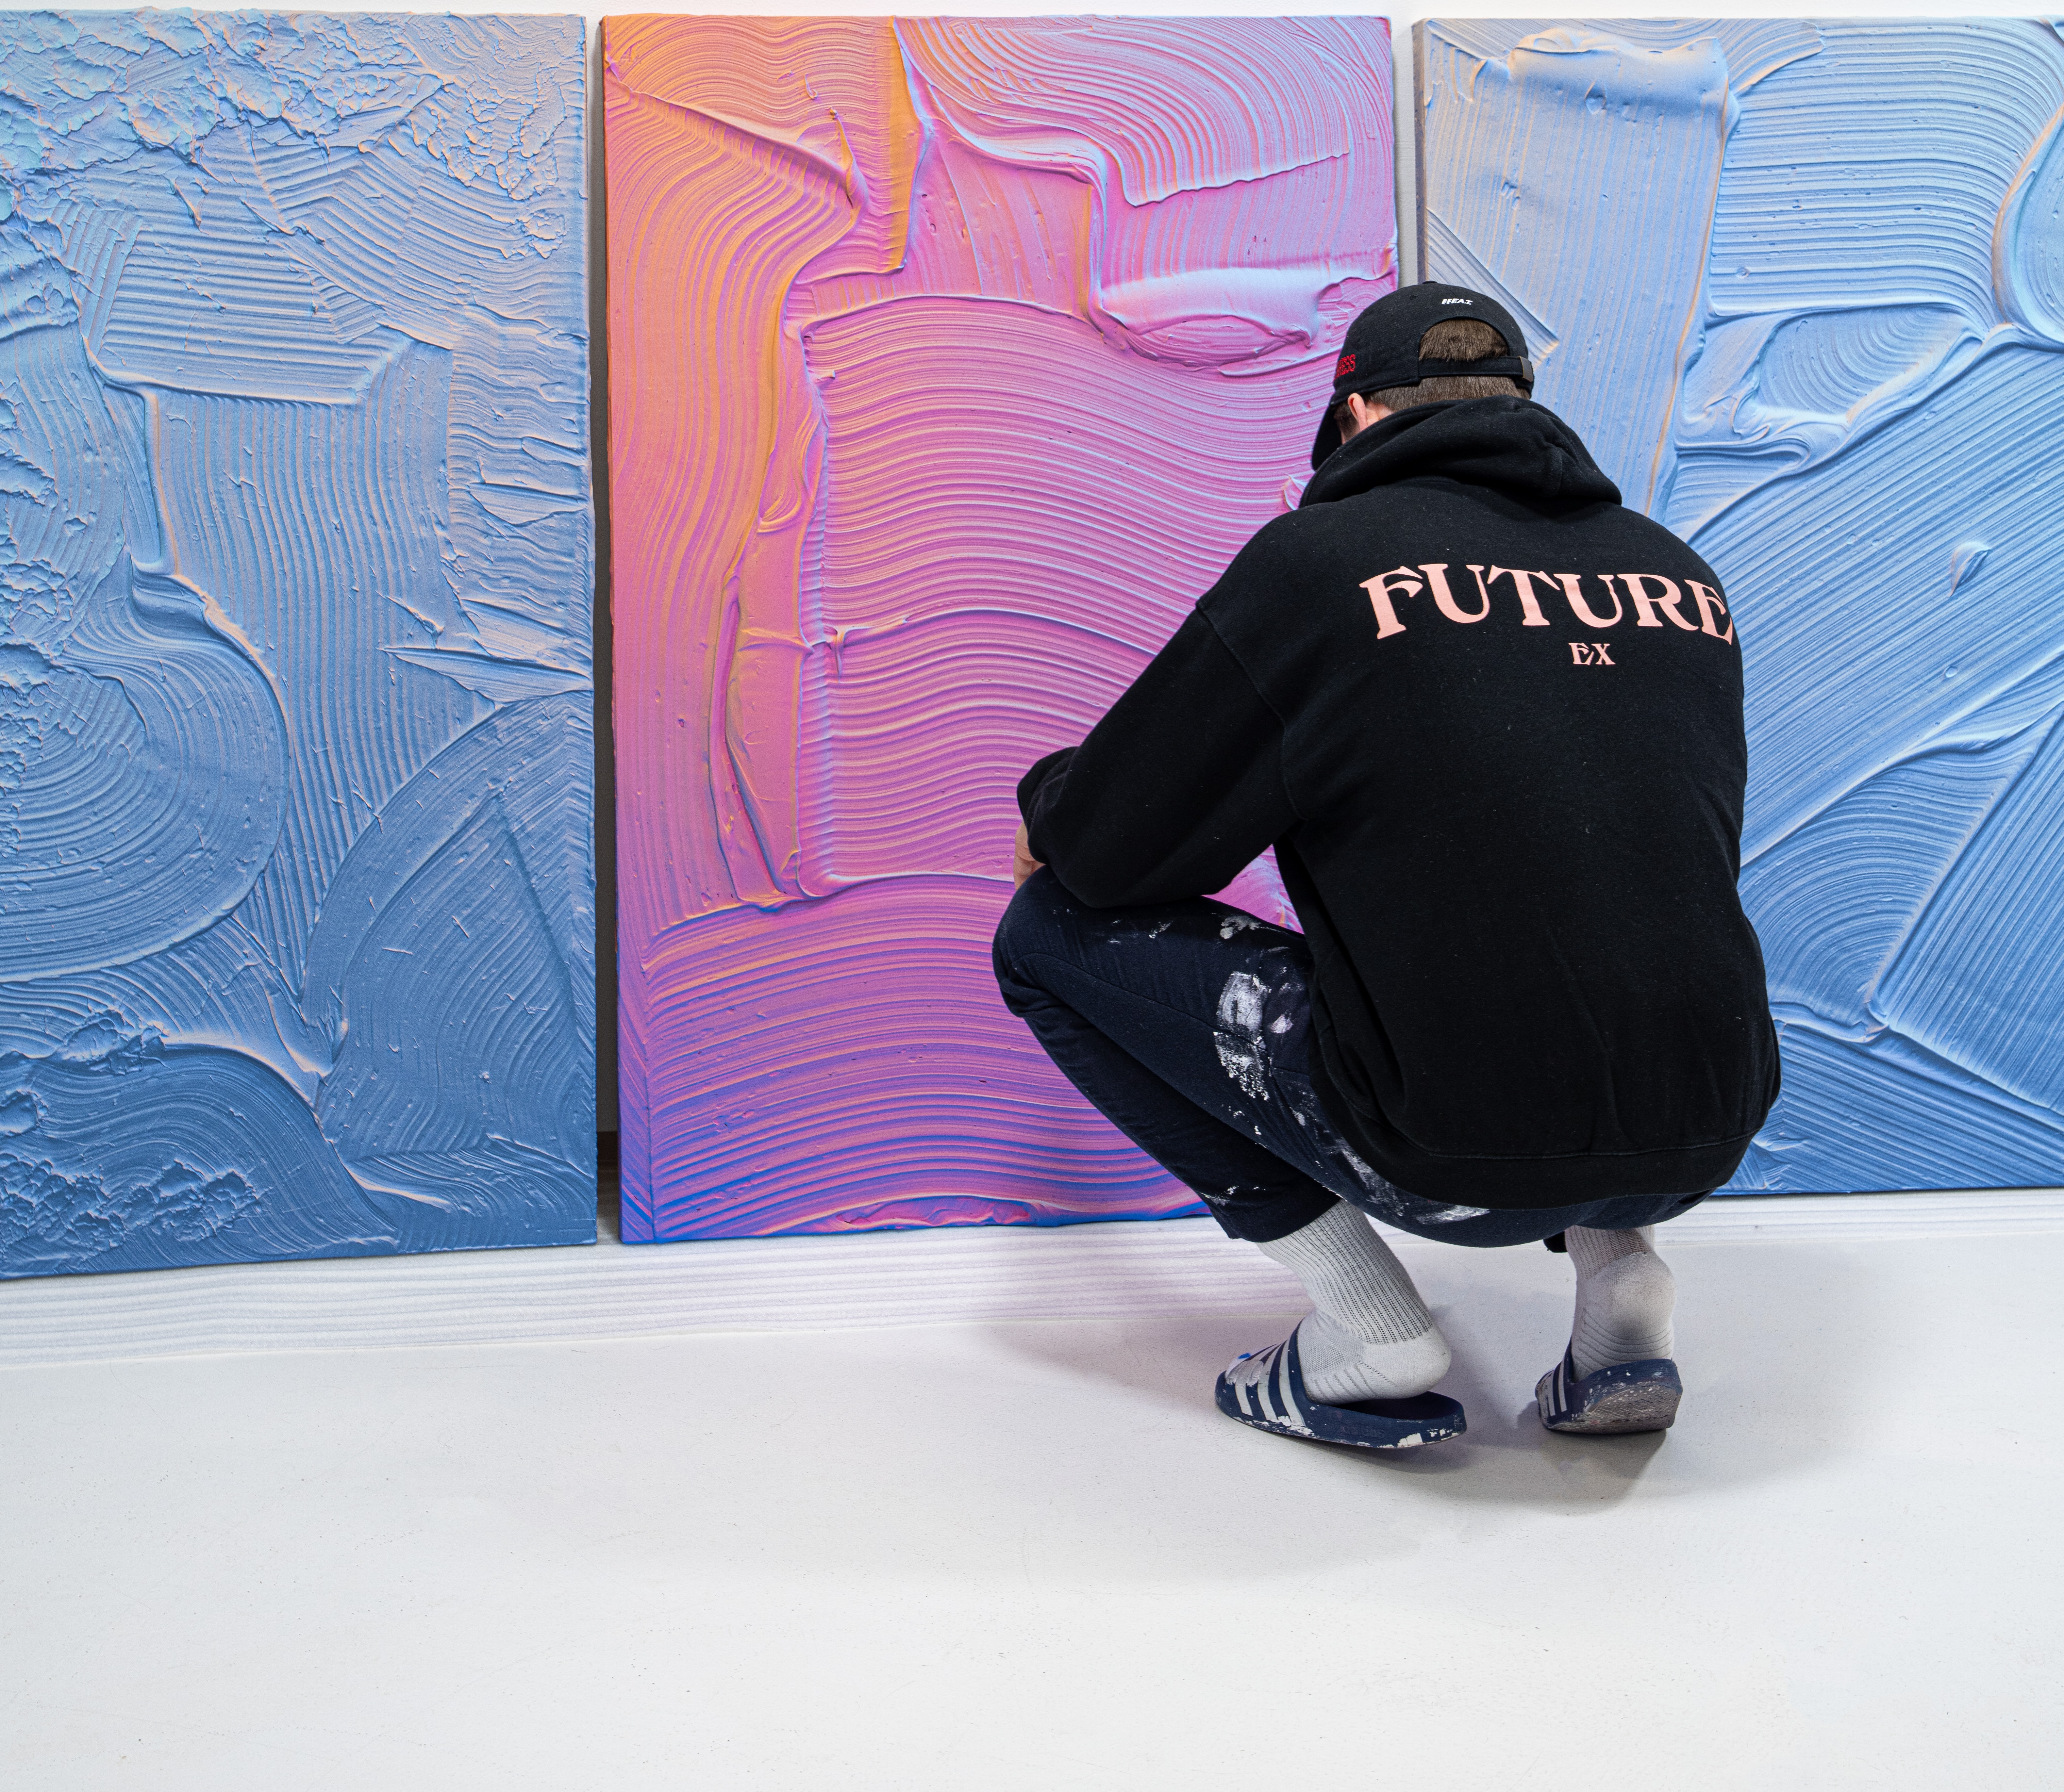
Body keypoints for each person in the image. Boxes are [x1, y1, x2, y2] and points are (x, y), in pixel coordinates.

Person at [992, 282, 1778, 1449]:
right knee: (1576, 900)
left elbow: (1114, 855)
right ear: (1521, 408)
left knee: (1046, 935)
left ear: (1356, 418)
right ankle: (1623, 1286)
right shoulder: (1674, 572)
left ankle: (1369, 1331)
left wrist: (1050, 804)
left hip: (1451, 1159)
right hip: (1707, 1135)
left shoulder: (1324, 563)